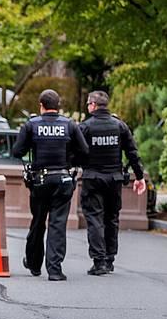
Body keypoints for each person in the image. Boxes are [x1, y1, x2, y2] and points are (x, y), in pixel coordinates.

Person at [12, 89, 89, 281]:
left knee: (37, 222)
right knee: (57, 224)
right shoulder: (69, 125)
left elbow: (17, 151)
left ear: (41, 105)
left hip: (40, 181)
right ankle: (54, 270)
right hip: (63, 179)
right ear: (58, 105)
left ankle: (34, 263)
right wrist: (70, 160)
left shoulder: (32, 125)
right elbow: (84, 150)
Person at [78, 90, 146, 275]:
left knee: (94, 219)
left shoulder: (85, 127)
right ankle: (109, 259)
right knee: (111, 219)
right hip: (114, 180)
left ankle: (99, 261)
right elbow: (132, 153)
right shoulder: (120, 126)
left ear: (93, 105)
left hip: (93, 180)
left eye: (88, 104)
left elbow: (74, 153)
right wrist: (139, 177)